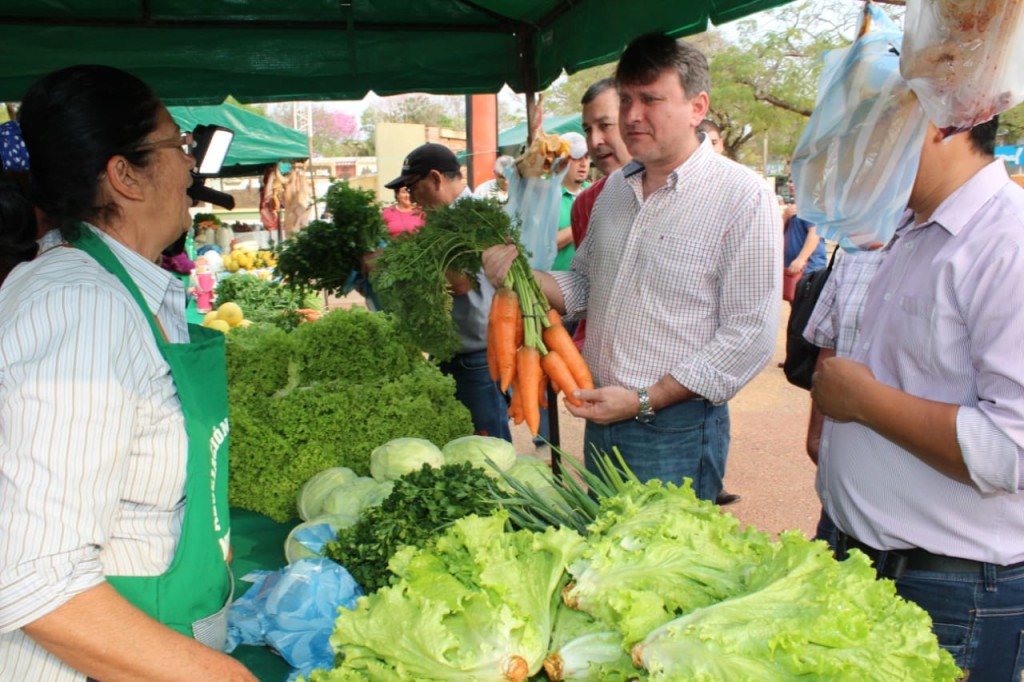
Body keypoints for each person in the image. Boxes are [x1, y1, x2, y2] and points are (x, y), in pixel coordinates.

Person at [0, 66, 256, 681]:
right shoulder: (80, 305)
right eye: (177, 146)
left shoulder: (120, 290)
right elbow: (36, 578)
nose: (191, 167)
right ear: (125, 175)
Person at [484, 33, 780, 502]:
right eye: (626, 100)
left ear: (697, 107)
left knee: (662, 566)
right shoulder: (615, 191)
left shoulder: (742, 196)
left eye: (651, 100)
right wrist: (525, 278)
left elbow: (749, 335)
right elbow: (584, 285)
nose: (632, 116)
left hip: (674, 427)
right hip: (602, 412)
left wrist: (647, 398)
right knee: (610, 560)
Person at [812, 117, 1024, 680]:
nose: (856, 145)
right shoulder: (910, 225)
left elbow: (1013, 450)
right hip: (857, 557)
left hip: (946, 590)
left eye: (874, 120)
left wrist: (865, 403)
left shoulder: (1009, 241)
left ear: (938, 120)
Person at [384, 142, 511, 442]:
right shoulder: (447, 218)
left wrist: (406, 264)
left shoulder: (471, 217)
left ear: (436, 178)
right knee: (459, 444)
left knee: (488, 447)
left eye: (414, 187)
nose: (412, 198)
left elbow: (460, 282)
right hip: (455, 353)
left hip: (477, 359)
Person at [552, 132, 590, 272]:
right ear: (561, 161)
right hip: (556, 286)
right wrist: (587, 222)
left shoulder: (596, 193)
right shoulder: (548, 197)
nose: (583, 163)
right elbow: (544, 245)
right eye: (576, 158)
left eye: (586, 157)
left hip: (590, 286)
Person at [781, 199, 827, 302]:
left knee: (806, 309)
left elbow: (815, 233)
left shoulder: (810, 206)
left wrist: (801, 259)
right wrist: (785, 217)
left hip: (809, 269)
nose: (791, 184)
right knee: (796, 306)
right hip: (793, 270)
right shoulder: (792, 208)